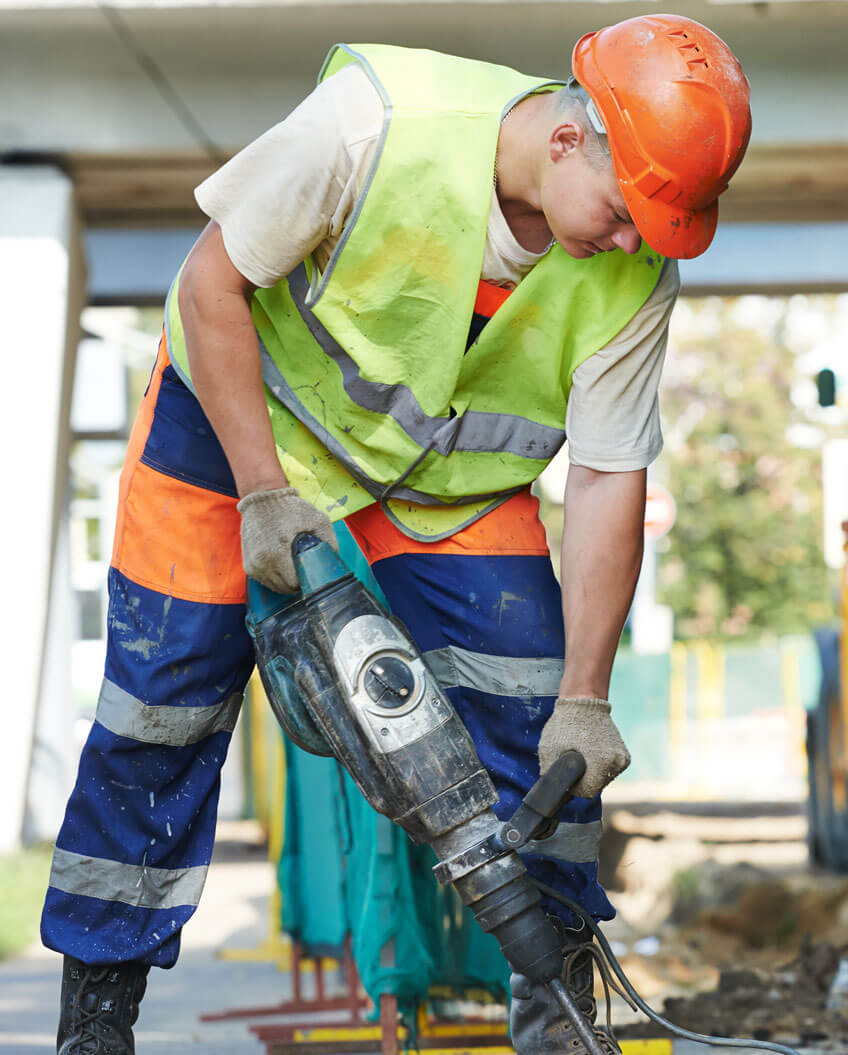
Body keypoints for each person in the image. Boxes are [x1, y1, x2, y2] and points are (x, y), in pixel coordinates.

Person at [43, 16, 751, 1055]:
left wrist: (588, 696)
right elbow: (211, 284)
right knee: (160, 712)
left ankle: (558, 1007)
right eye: (627, 208)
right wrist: (259, 494)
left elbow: (606, 477)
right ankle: (96, 1017)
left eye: (662, 223)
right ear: (568, 139)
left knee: (539, 719)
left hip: (439, 483)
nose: (633, 239)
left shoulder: (634, 275)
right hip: (235, 435)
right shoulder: (374, 123)